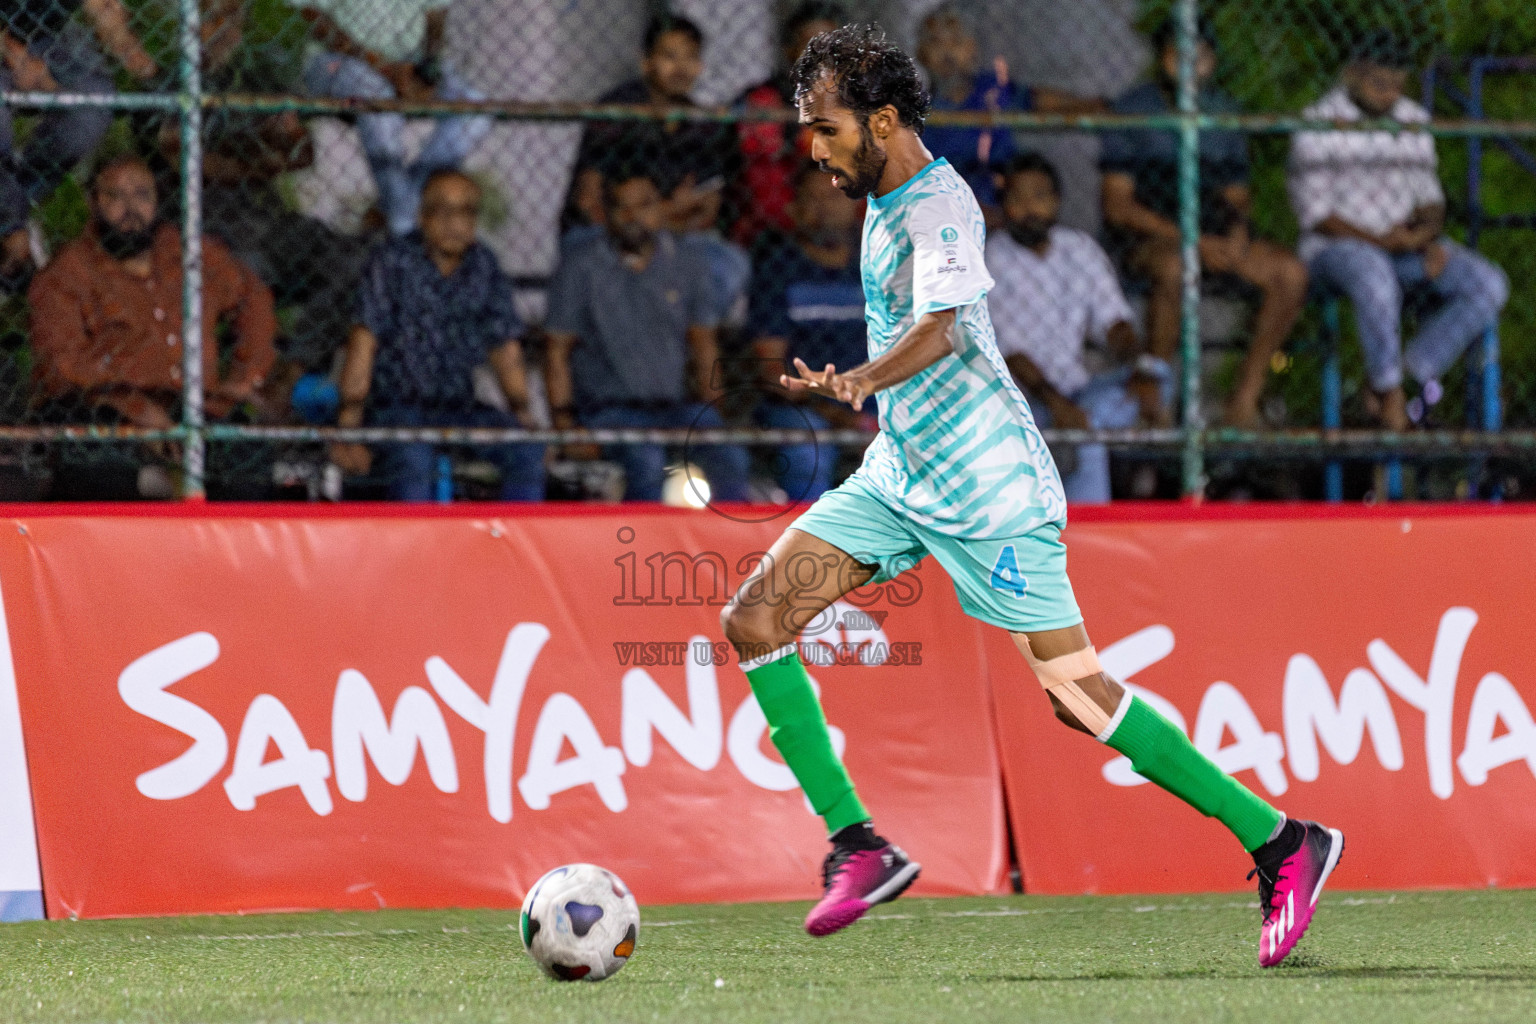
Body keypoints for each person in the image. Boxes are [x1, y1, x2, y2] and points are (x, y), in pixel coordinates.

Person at [717, 25, 1343, 967]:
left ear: (882, 121)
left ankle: (1283, 841)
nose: (813, 146)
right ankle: (858, 843)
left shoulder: (940, 208)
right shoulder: (879, 198)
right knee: (756, 617)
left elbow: (944, 329)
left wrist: (862, 378)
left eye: (826, 127)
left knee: (1078, 698)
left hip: (990, 487)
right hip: (904, 474)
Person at [1289, 30, 1509, 430]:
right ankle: (1388, 392)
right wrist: (1382, 242)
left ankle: (1411, 374)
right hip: (1336, 250)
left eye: (1397, 85)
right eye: (1379, 83)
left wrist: (1422, 239)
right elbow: (1316, 213)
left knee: (1487, 283)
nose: (1389, 94)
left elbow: (1431, 200)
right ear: (1353, 74)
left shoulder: (1411, 119)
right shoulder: (1316, 122)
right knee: (1373, 272)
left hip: (1403, 246)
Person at [1100, 18, 1308, 428]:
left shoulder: (1223, 112)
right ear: (1163, 59)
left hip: (1214, 234)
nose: (1191, 64)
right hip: (1152, 238)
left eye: (1201, 56)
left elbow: (1237, 196)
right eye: (1180, 54)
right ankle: (1155, 403)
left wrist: (1235, 236)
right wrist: (1192, 241)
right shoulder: (1134, 110)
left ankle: (1244, 400)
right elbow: (1118, 206)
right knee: (1177, 266)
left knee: (1290, 274)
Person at [28, 154, 277, 497]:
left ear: (158, 201)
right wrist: (135, 409)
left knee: (247, 456)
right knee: (97, 461)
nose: (130, 209)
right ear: (93, 202)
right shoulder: (68, 272)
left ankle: (231, 550)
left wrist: (244, 376)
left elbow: (254, 299)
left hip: (194, 402)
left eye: (142, 195)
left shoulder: (190, 252)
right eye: (115, 196)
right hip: (107, 406)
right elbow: (61, 365)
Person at [149, 0, 369, 374]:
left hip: (265, 216)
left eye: (233, 18)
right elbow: (185, 160)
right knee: (246, 268)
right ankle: (244, 379)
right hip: (201, 223)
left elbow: (301, 151)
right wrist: (259, 156)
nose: (224, 29)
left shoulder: (259, 74)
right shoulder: (172, 80)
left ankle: (293, 369)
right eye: (212, 17)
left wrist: (242, 157)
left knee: (353, 259)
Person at [329, 170, 546, 501]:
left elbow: (504, 346)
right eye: (443, 211)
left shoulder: (483, 266)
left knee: (525, 451)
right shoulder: (392, 261)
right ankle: (417, 549)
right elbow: (364, 341)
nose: (454, 223)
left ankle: (513, 545)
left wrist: (522, 412)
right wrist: (349, 425)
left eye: (465, 212)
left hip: (459, 405)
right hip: (395, 405)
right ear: (422, 217)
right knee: (414, 458)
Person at [544, 167, 749, 503]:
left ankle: (735, 550)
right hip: (607, 410)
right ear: (606, 214)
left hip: (676, 407)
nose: (633, 216)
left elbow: (703, 342)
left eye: (644, 205)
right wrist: (565, 425)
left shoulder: (686, 263)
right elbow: (556, 351)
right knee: (646, 460)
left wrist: (714, 408)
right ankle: (644, 552)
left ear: (661, 209)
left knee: (728, 456)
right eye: (621, 207)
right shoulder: (581, 266)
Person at [987, 153, 1169, 503]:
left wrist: (1138, 368)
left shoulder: (1078, 249)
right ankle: (1090, 524)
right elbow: (1009, 355)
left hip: (1080, 394)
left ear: (1056, 202)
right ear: (1005, 205)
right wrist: (1059, 406)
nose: (1029, 209)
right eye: (1017, 199)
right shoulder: (991, 259)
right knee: (1085, 430)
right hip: (1021, 399)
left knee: (1157, 377)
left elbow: (1115, 323)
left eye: (1039, 197)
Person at [565, 13, 745, 323]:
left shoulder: (700, 126)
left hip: (670, 238)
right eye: (669, 56)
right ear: (646, 61)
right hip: (609, 235)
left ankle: (680, 341)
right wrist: (669, 210)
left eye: (690, 57)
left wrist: (654, 218)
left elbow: (706, 211)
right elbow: (589, 203)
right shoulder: (616, 113)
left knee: (729, 262)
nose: (680, 68)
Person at [291, 0, 491, 236]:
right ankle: (403, 223)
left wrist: (427, 71)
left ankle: (400, 203)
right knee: (379, 100)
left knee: (475, 108)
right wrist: (381, 65)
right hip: (338, 59)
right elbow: (310, 12)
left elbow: (436, 14)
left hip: (409, 65)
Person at [0, 0, 160, 289]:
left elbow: (105, 11)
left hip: (44, 35)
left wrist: (152, 75)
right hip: (7, 37)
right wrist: (15, 56)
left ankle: (14, 201)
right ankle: (10, 225)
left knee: (94, 102)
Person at [749, 163, 868, 502]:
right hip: (802, 408)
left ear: (854, 204)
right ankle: (812, 547)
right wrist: (833, 412)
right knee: (807, 449)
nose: (825, 209)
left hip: (871, 402)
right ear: (795, 210)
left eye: (834, 197)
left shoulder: (874, 265)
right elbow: (773, 371)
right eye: (812, 199)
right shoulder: (778, 270)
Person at [916, 4, 1104, 216]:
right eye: (935, 43)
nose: (947, 53)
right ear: (922, 54)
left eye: (956, 42)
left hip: (1003, 207)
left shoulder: (992, 89)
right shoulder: (914, 107)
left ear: (972, 48)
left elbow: (1039, 100)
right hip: (941, 211)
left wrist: (1095, 106)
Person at [731, 1, 848, 245]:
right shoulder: (765, 101)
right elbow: (763, 180)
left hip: (845, 222)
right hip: (779, 225)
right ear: (790, 51)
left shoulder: (857, 103)